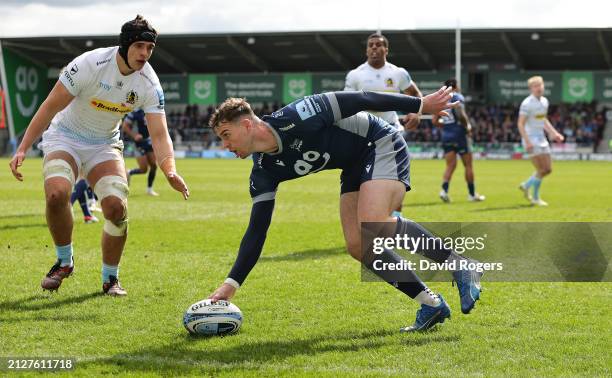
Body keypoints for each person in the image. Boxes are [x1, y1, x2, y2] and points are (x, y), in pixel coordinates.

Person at [206, 87, 484, 332]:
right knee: (358, 244)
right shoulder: (263, 171)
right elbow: (257, 231)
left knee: (374, 222)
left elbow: (362, 98)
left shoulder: (299, 114)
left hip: (379, 141)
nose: (225, 145)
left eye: (226, 135)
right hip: (352, 164)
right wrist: (232, 283)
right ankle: (431, 304)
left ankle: (461, 265)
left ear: (246, 125)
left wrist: (420, 105)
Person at [8, 15, 189, 296]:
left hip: (104, 144)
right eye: (140, 46)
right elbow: (48, 107)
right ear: (126, 45)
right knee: (56, 194)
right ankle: (64, 261)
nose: (145, 54)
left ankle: (110, 279)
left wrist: (170, 170)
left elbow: (160, 134)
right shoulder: (89, 64)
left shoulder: (149, 84)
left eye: (150, 48)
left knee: (117, 209)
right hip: (64, 136)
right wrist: (22, 147)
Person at [344, 32, 423, 217]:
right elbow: (345, 104)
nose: (374, 48)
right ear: (366, 49)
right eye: (370, 45)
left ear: (386, 49)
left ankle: (396, 221)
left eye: (378, 44)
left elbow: (416, 95)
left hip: (391, 131)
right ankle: (365, 225)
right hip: (363, 133)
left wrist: (416, 113)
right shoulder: (356, 75)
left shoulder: (397, 73)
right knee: (361, 181)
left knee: (395, 180)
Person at [434, 79, 485, 203]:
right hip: (459, 135)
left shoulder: (440, 99)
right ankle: (472, 194)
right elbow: (460, 113)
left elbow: (435, 121)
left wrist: (446, 126)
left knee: (450, 165)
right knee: (468, 165)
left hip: (446, 135)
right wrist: (467, 126)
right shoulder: (456, 96)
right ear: (456, 87)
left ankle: (444, 191)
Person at [517, 76, 564, 206]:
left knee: (548, 169)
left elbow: (543, 120)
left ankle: (526, 185)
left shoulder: (544, 102)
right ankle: (535, 198)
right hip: (531, 138)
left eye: (540, 85)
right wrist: (527, 141)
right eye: (535, 86)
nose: (539, 88)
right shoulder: (527, 103)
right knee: (541, 169)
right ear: (531, 88)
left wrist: (554, 133)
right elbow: (520, 124)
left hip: (542, 138)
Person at [122, 109, 159, 196]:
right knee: (144, 169)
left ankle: (149, 189)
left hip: (149, 141)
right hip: (139, 143)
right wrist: (134, 135)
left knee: (154, 165)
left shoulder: (149, 109)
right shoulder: (134, 113)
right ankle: (129, 172)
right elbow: (125, 126)